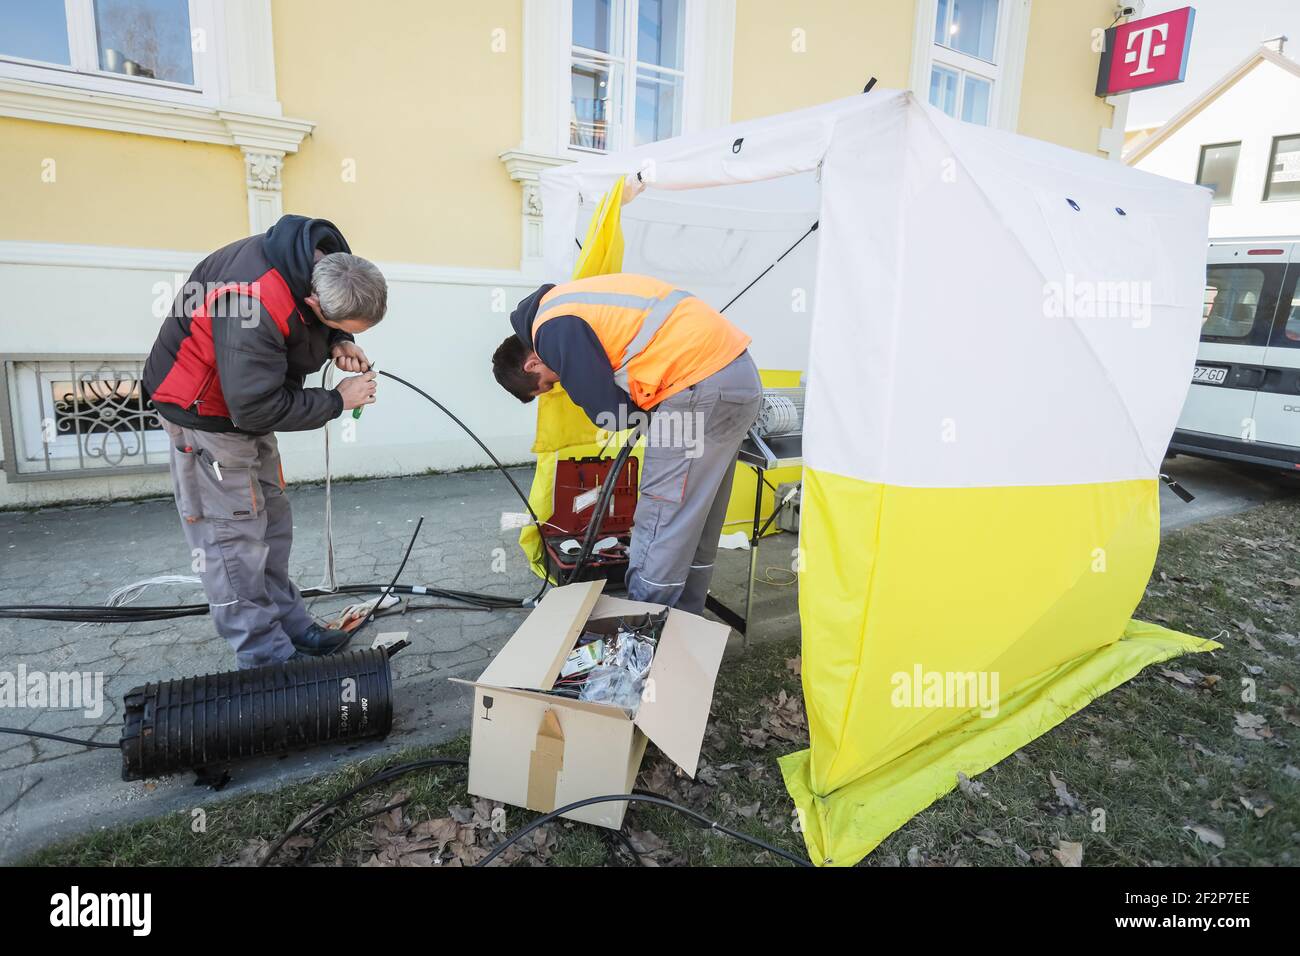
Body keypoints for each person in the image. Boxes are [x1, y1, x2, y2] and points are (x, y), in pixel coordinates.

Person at [142, 215, 384, 668]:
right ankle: (266, 659)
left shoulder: (322, 263)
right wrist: (336, 399)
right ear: (314, 299)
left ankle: (292, 627)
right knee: (233, 539)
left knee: (271, 523)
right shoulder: (249, 300)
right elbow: (251, 408)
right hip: (207, 415)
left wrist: (339, 338)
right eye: (337, 322)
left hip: (248, 404)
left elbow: (300, 336)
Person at [492, 273, 763, 614]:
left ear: (532, 363)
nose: (557, 382)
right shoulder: (568, 301)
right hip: (738, 378)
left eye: (548, 383)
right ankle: (685, 624)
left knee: (662, 512)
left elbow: (611, 413)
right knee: (697, 515)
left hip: (696, 389)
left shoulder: (552, 328)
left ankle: (641, 632)